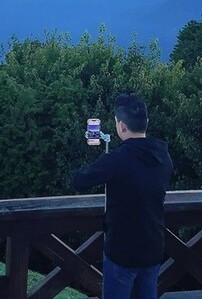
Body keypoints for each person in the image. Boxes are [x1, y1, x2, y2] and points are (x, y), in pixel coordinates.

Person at [72, 94, 173, 299]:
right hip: (153, 246)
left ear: (121, 126)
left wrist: (104, 160)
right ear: (146, 122)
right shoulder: (163, 155)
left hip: (122, 251)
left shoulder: (117, 159)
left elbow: (79, 181)